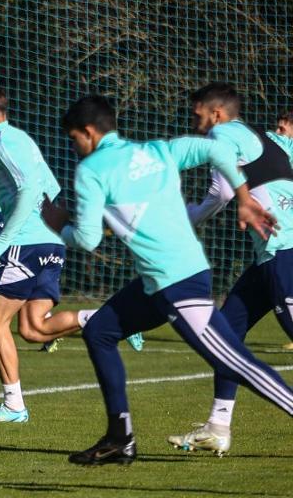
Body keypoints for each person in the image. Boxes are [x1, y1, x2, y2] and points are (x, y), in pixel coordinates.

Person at [42, 94, 292, 465]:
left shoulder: (92, 170)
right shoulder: (157, 151)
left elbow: (89, 239)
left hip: (179, 283)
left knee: (238, 364)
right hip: (156, 283)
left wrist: (59, 225)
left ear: (89, 133)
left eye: (74, 138)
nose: (75, 146)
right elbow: (218, 154)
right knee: (100, 332)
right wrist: (242, 196)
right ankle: (119, 438)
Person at [166, 85, 293, 455]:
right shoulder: (253, 136)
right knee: (227, 334)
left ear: (215, 113)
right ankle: (218, 426)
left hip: (284, 247)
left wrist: (188, 217)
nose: (196, 122)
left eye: (197, 114)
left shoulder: (222, 134)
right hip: (269, 254)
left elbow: (222, 193)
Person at [0, 84, 78, 423]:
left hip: (24, 244)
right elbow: (52, 189)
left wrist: (1, 241)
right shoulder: (22, 140)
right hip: (49, 244)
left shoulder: (2, 141)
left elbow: (30, 189)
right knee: (32, 328)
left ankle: (13, 405)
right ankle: (109, 319)